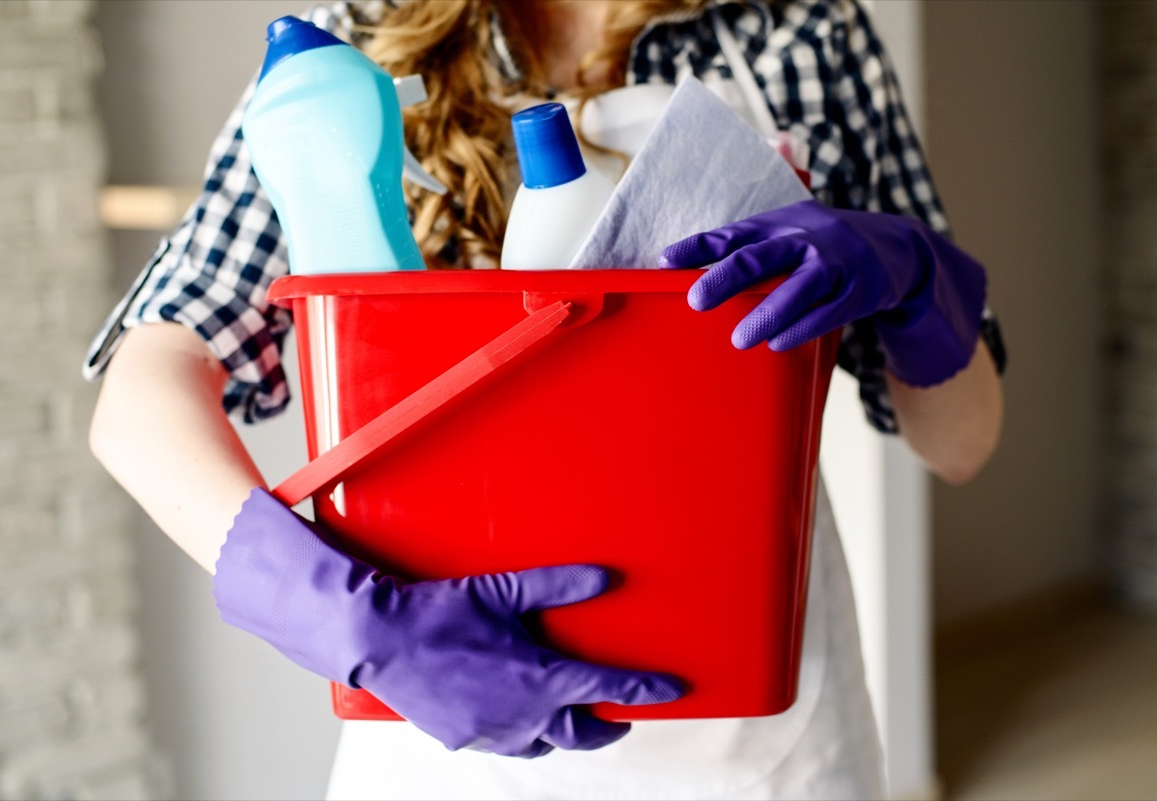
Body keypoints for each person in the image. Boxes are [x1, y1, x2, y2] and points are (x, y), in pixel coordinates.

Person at [85, 0, 1006, 798]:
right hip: (450, 714)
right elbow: (143, 390)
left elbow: (961, 444)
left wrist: (913, 274)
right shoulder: (355, 39)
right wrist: (331, 609)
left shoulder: (799, 29)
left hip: (763, 729)